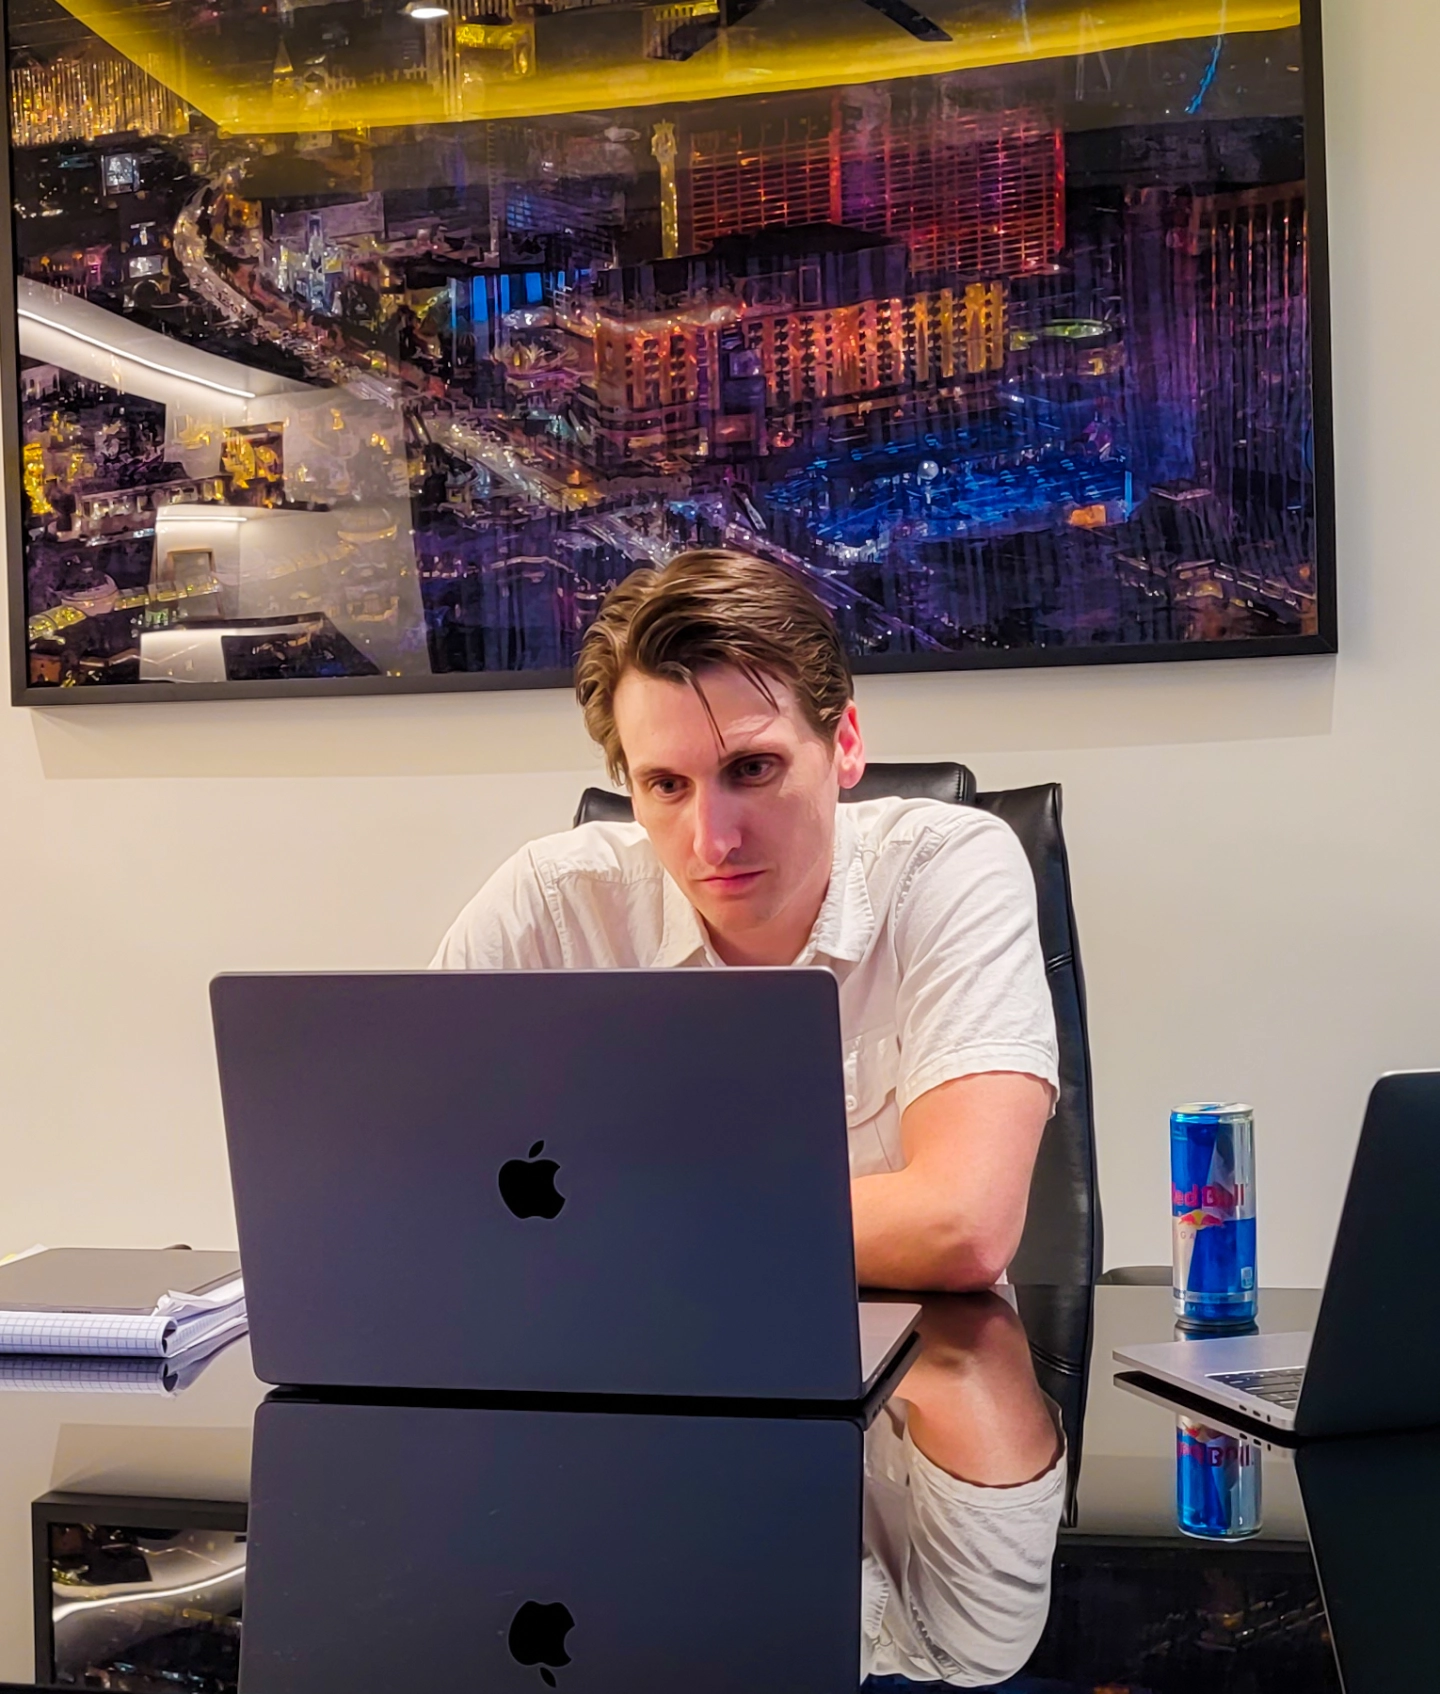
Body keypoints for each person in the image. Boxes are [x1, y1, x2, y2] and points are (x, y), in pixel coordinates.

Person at [432, 549, 1058, 1291]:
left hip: (915, 1371)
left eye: (752, 769)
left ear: (845, 744)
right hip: (606, 1364)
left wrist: (615, 1223)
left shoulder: (946, 867)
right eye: (666, 784)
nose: (712, 841)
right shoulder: (553, 898)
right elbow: (402, 1182)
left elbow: (963, 1225)